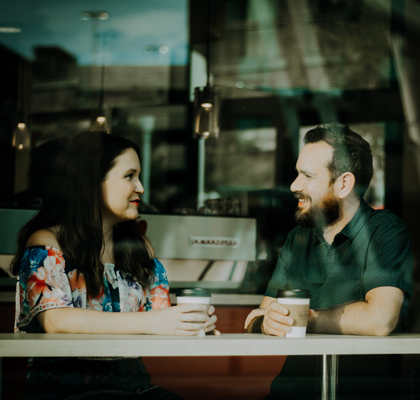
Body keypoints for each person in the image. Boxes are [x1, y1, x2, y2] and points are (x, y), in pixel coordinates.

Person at [11, 131, 219, 400]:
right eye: (129, 176)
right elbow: (55, 320)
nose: (141, 188)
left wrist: (191, 324)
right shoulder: (47, 243)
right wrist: (156, 321)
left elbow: (158, 318)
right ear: (92, 182)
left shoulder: (139, 248)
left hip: (134, 388)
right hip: (65, 391)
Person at [244, 124, 413, 399]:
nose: (294, 186)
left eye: (307, 176)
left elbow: (380, 320)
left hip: (359, 393)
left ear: (344, 184)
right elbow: (259, 317)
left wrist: (304, 321)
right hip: (290, 393)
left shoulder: (385, 232)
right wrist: (265, 323)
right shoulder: (298, 238)